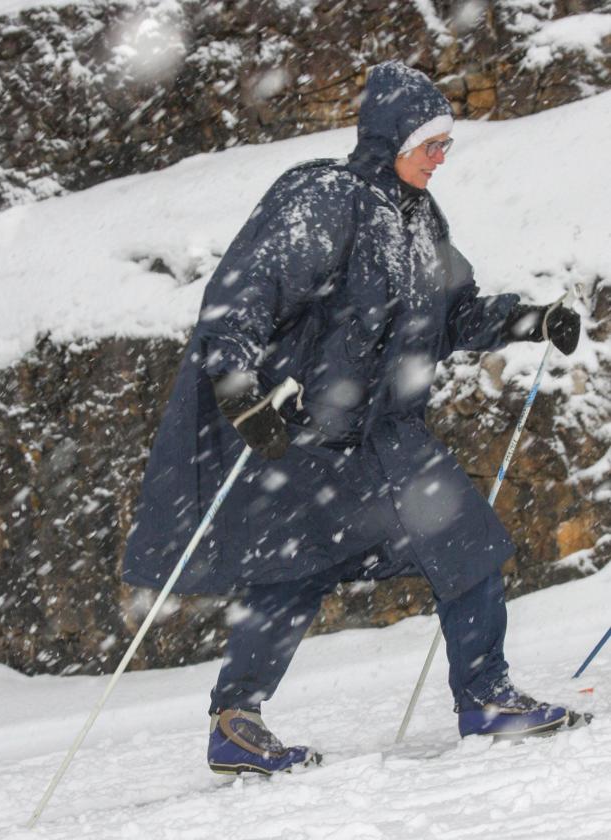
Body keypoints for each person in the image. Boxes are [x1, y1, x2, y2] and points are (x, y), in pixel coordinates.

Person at [123, 61, 585, 775]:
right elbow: (246, 290)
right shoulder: (326, 197)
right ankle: (235, 722)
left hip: (385, 436)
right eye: (430, 143)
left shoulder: (420, 221)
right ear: (392, 137)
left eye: (446, 146)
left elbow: (455, 314)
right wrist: (241, 386)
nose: (440, 158)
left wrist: (529, 318)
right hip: (309, 433)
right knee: (293, 572)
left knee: (466, 539)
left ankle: (486, 696)